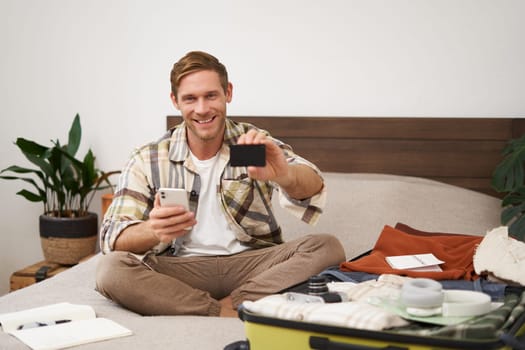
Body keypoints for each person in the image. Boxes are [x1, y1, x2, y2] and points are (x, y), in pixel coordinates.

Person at [96, 51, 346, 317]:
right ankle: (223, 310)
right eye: (190, 99)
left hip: (252, 265)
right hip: (180, 268)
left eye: (211, 96)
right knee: (110, 269)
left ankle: (230, 303)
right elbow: (113, 237)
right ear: (175, 101)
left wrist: (284, 175)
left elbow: (312, 183)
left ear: (228, 92)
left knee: (327, 247)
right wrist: (153, 230)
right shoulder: (150, 157)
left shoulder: (248, 145)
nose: (202, 109)